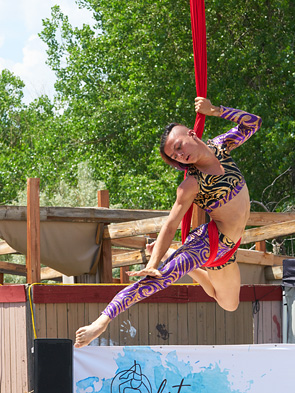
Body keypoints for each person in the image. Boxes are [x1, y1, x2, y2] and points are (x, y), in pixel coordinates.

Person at [74, 97, 262, 348]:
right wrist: (153, 263)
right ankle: (102, 321)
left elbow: (253, 123)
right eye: (176, 155)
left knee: (229, 304)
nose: (181, 155)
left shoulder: (221, 146)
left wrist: (214, 110)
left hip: (231, 245)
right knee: (160, 278)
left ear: (192, 134)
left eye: (179, 146)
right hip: (211, 241)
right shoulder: (191, 184)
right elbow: (171, 224)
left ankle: (185, 262)